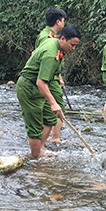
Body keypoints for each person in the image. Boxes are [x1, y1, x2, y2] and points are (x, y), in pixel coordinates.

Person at [16, 24, 81, 159]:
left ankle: (40, 149)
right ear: (62, 38)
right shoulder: (50, 54)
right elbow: (41, 82)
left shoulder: (55, 43)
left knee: (50, 118)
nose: (73, 49)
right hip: (29, 88)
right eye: (72, 45)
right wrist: (53, 103)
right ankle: (36, 161)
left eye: (76, 46)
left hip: (40, 87)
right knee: (35, 129)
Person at [35, 7, 67, 143]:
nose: (64, 23)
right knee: (57, 108)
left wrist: (59, 76)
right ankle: (55, 139)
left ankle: (49, 139)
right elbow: (44, 59)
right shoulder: (46, 37)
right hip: (47, 79)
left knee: (51, 109)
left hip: (53, 77)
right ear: (58, 22)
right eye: (63, 21)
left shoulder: (51, 35)